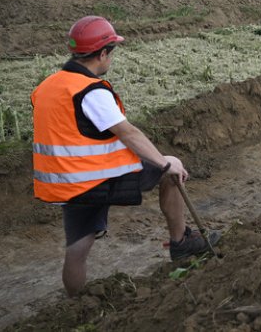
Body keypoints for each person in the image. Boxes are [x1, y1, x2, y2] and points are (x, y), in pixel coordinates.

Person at [31, 15, 220, 296]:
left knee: (77, 249)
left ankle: (75, 304)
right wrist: (164, 163)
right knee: (172, 168)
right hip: (96, 178)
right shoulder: (90, 91)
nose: (111, 59)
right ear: (102, 54)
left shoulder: (47, 86)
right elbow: (128, 133)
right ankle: (181, 242)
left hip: (65, 183)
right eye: (111, 53)